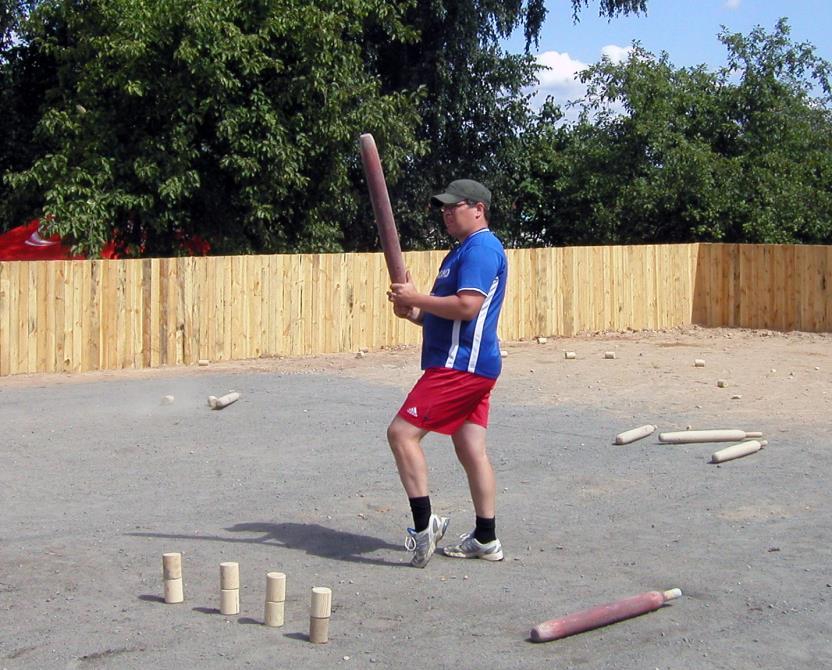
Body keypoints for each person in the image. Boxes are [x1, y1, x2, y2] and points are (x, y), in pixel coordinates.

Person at [386, 178, 508, 568]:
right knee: (470, 448)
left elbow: (467, 306)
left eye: (453, 206)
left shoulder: (482, 248)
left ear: (478, 208)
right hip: (470, 364)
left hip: (460, 366)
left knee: (401, 433)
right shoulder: (458, 254)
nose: (446, 212)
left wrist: (416, 297)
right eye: (443, 207)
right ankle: (486, 539)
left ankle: (425, 526)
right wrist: (413, 311)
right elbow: (442, 314)